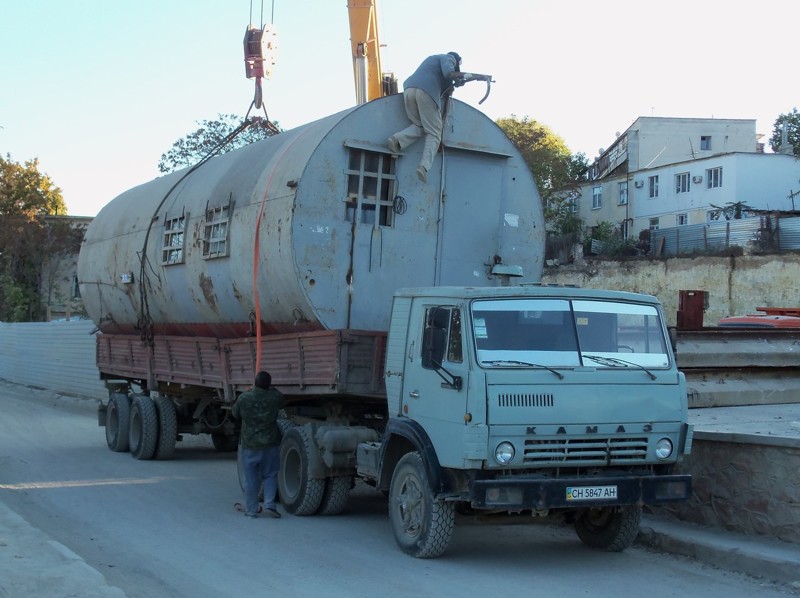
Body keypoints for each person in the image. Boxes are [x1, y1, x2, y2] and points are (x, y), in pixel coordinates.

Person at [387, 51, 463, 184]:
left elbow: (444, 84)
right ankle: (424, 166)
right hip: (427, 92)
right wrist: (456, 76)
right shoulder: (448, 58)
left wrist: (453, 84)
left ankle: (396, 140)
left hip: (409, 90)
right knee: (434, 133)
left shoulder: (432, 60)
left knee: (420, 126)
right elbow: (448, 72)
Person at [232, 370, 285, 519]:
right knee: (270, 474)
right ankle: (270, 504)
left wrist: (250, 390)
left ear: (254, 383)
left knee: (250, 479)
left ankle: (251, 510)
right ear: (269, 385)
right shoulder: (274, 397)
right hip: (270, 443)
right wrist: (270, 389)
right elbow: (281, 398)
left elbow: (235, 414)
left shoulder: (244, 398)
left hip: (250, 445)